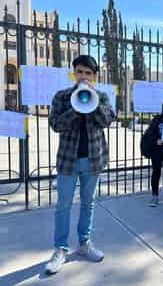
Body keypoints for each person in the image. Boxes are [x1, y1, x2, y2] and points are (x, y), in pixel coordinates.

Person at [45, 55, 115, 275]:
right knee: (63, 205)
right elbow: (55, 124)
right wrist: (76, 106)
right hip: (68, 161)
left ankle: (84, 243)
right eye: (80, 72)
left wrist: (90, 102)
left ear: (94, 76)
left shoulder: (101, 96)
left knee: (88, 204)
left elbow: (107, 121)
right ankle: (60, 249)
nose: (84, 77)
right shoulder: (62, 97)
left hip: (93, 160)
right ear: (74, 72)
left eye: (89, 73)